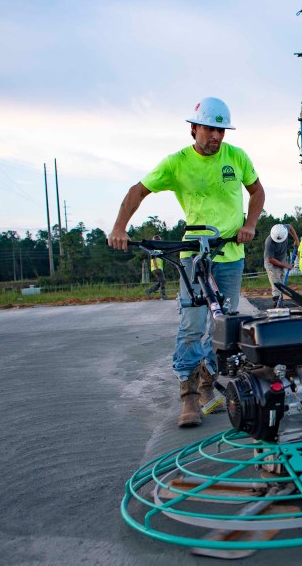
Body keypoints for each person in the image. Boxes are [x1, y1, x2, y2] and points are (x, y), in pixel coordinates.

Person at [108, 97, 265, 428]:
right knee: (193, 325)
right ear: (193, 128)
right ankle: (189, 396)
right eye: (209, 129)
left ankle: (209, 384)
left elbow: (257, 191)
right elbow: (138, 191)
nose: (216, 137)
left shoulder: (236, 157)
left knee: (224, 324)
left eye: (221, 131)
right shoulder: (176, 163)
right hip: (194, 253)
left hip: (230, 254)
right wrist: (120, 227)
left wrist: (249, 225)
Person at [264, 224, 299, 301]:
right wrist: (286, 265)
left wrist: (296, 240)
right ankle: (277, 302)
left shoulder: (283, 229)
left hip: (282, 260)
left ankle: (280, 299)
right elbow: (270, 259)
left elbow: (290, 227)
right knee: (276, 284)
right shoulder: (269, 242)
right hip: (271, 265)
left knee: (282, 284)